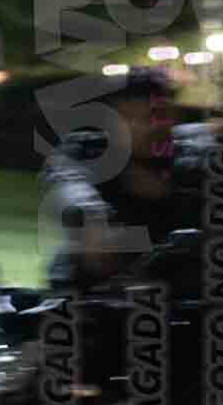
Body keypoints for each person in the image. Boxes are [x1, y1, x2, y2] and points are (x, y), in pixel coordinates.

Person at [43, 66, 203, 293]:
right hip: (95, 293)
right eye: (144, 118)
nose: (157, 127)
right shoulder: (88, 151)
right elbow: (68, 184)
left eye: (163, 115)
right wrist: (92, 218)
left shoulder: (190, 158)